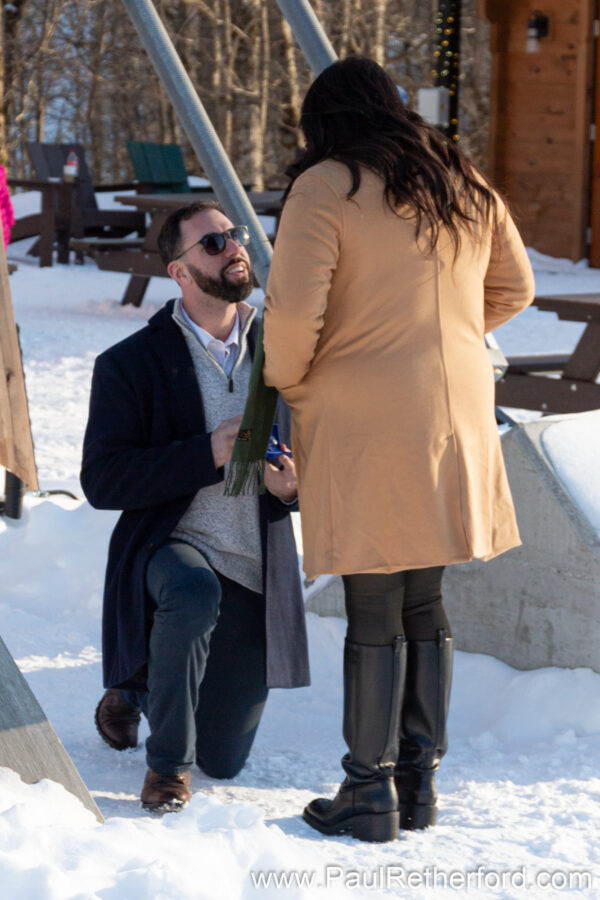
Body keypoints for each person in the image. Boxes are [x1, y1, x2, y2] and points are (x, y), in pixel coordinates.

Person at [262, 57, 535, 843]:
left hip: (364, 415)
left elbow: (290, 323)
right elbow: (513, 287)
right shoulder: (458, 178)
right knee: (424, 595)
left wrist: (287, 378)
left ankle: (367, 789)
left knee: (374, 600)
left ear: (325, 123)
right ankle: (418, 783)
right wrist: (444, 334)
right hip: (455, 411)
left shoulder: (327, 187)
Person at [81, 200, 309, 813]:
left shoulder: (285, 352)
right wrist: (205, 450)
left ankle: (134, 689)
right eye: (212, 244)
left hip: (255, 560)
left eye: (235, 235)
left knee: (226, 759)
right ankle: (166, 769)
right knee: (191, 594)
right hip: (171, 544)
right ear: (178, 272)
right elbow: (103, 480)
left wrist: (294, 490)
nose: (234, 247)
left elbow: (323, 453)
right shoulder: (131, 363)